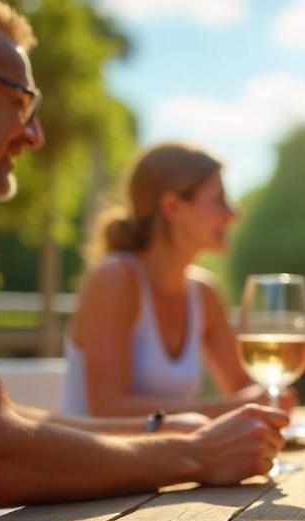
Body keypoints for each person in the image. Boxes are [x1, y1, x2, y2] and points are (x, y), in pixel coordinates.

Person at [0, 0, 286, 521]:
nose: (34, 134)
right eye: (21, 101)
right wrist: (196, 452)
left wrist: (163, 429)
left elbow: (3, 419)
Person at [62, 142, 292, 418]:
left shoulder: (204, 293)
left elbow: (243, 386)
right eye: (218, 199)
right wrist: (234, 408)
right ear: (173, 207)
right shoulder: (115, 278)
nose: (234, 213)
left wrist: (269, 399)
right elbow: (107, 409)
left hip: (166, 460)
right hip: (91, 461)